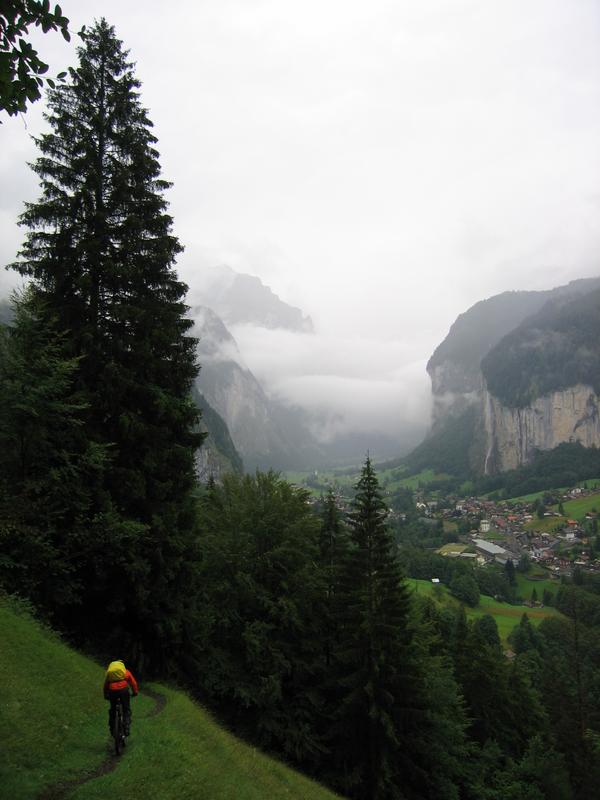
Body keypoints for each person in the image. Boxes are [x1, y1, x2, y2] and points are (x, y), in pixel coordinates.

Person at [103, 659, 138, 737]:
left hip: (112, 691)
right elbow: (133, 683)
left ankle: (112, 728)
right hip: (124, 691)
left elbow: (105, 685)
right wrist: (135, 692)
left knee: (113, 710)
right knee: (126, 709)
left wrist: (105, 695)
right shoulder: (126, 672)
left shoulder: (110, 674)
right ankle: (126, 727)